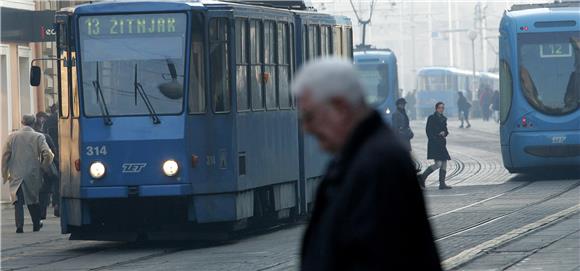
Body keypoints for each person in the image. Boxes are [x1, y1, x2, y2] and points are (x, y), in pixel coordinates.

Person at [293, 58, 442, 271]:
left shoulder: (379, 165)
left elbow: (380, 257)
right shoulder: (354, 159)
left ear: (340, 107)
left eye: (309, 116)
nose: (306, 128)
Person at [2, 115, 54, 233]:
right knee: (33, 199)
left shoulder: (12, 137)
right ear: (34, 122)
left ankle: (19, 225)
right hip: (33, 173)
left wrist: (5, 172)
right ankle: (36, 223)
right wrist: (43, 166)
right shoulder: (38, 136)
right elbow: (48, 154)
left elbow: (5, 156)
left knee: (17, 201)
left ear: (22, 122)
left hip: (16, 173)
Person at [419, 102, 452, 190]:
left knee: (444, 163)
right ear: (436, 108)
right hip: (434, 144)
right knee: (438, 164)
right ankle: (422, 177)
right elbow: (428, 131)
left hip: (442, 143)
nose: (442, 109)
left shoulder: (444, 118)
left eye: (443, 108)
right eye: (440, 108)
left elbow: (446, 130)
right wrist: (437, 135)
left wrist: (444, 133)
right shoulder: (431, 118)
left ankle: (442, 184)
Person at [33, 114, 59, 219]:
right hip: (46, 168)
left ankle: (37, 214)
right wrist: (56, 164)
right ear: (41, 125)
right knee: (45, 191)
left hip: (31, 168)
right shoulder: (46, 137)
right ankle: (44, 211)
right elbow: (52, 152)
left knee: (35, 193)